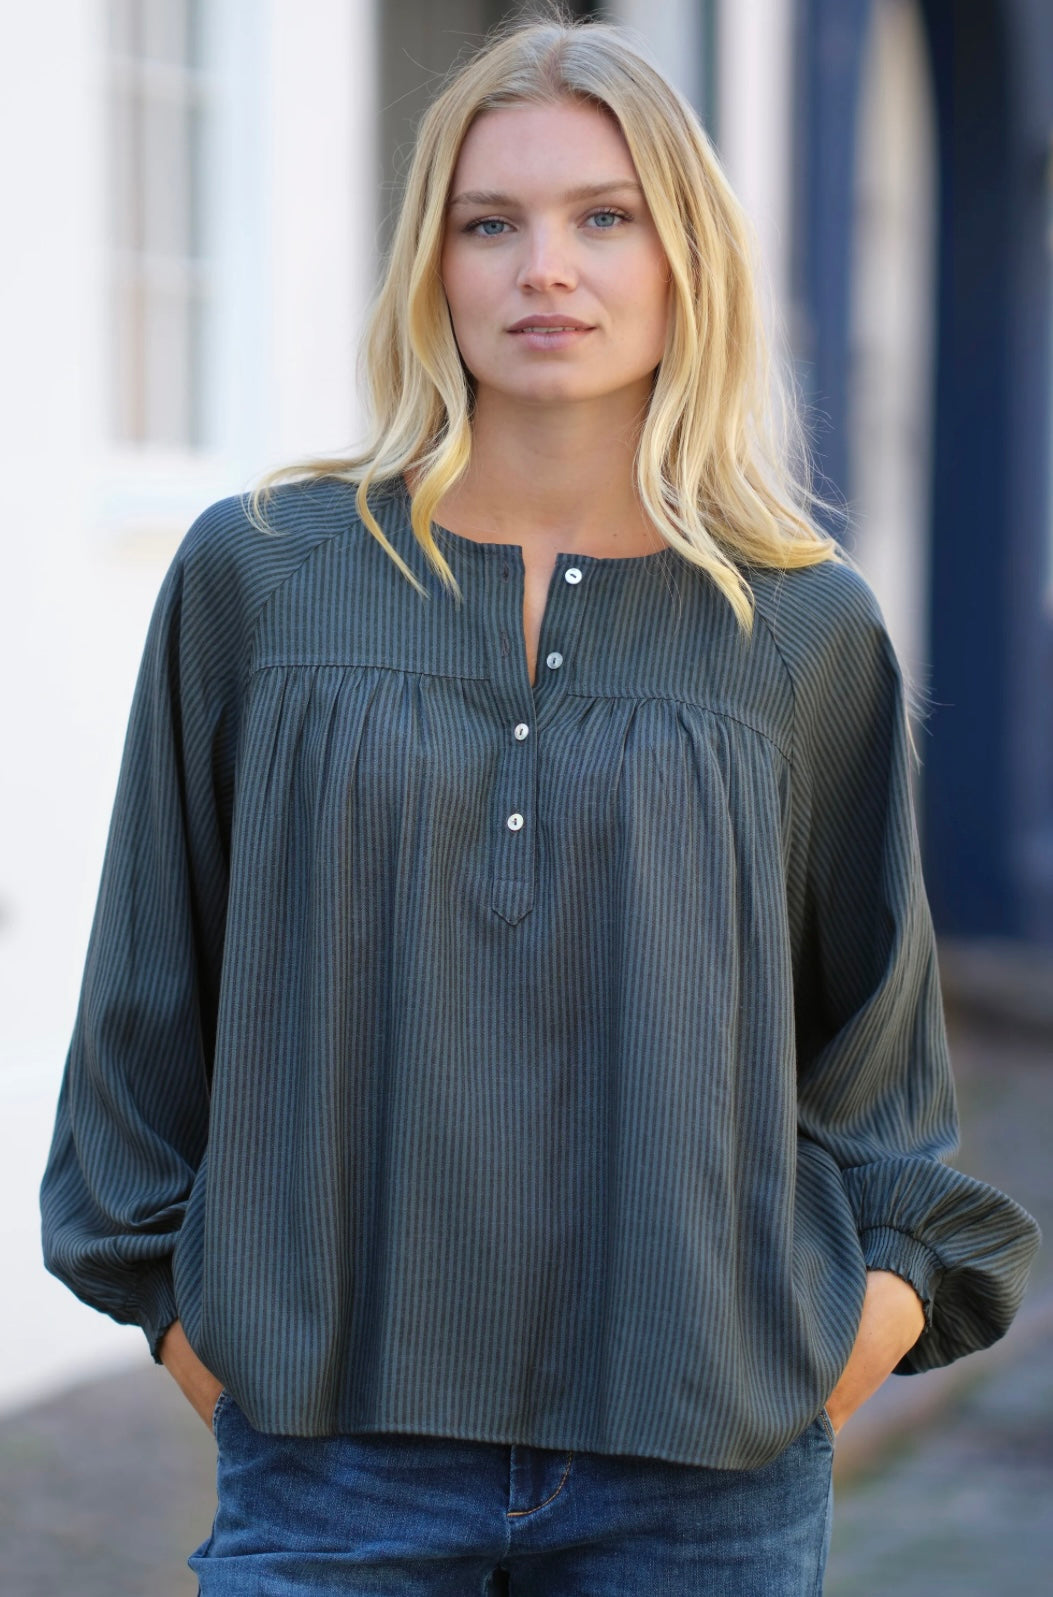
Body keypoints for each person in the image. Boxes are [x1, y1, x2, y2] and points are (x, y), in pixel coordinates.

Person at [41, 14, 1039, 1595]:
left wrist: (842, 1350)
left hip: (702, 1479)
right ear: (429, 264)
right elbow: (145, 1002)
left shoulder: (799, 626)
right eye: (489, 223)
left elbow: (873, 1075)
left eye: (603, 217)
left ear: (683, 257)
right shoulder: (264, 576)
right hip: (331, 1465)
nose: (544, 270)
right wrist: (186, 1329)